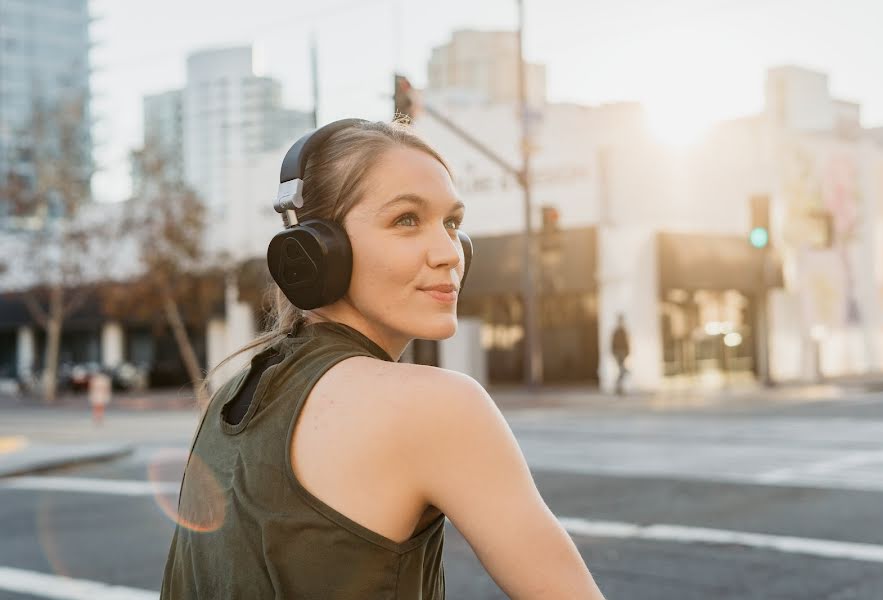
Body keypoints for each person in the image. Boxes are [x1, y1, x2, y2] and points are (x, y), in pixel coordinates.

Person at [160, 119, 606, 599]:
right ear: (316, 250)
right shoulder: (437, 405)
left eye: (452, 223)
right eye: (406, 220)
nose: (449, 253)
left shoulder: (228, 397)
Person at [611, 313, 630, 395]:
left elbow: (626, 342)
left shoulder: (623, 330)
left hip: (622, 352)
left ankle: (619, 387)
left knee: (621, 370)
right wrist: (613, 353)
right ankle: (618, 387)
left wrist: (628, 351)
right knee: (622, 370)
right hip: (618, 352)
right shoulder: (616, 331)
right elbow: (613, 343)